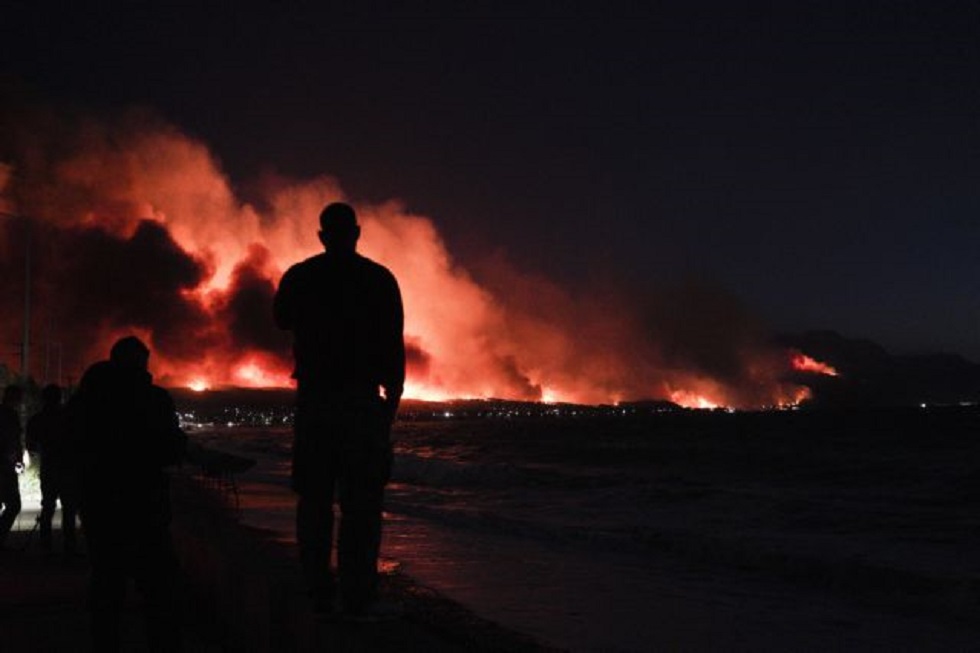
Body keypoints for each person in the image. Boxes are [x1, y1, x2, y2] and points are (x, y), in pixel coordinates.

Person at [274, 202, 405, 616]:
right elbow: (394, 345)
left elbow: (280, 319)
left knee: (314, 500)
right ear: (358, 233)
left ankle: (316, 588)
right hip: (363, 405)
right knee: (362, 506)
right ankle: (357, 594)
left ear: (322, 235)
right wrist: (390, 406)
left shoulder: (301, 276)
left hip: (317, 403)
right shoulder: (380, 279)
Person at [70, 336, 187, 652]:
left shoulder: (86, 401)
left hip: (100, 505)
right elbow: (170, 448)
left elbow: (73, 447)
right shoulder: (154, 399)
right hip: (144, 504)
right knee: (159, 588)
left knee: (107, 584)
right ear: (142, 362)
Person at [26, 384, 79, 556]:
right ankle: (70, 547)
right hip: (67, 468)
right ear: (59, 398)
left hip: (49, 467)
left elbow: (31, 446)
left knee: (48, 506)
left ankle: (45, 545)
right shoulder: (69, 418)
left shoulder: (37, 419)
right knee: (69, 508)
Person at [0, 385, 24, 548]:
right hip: (5, 465)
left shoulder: (8, 413)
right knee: (13, 504)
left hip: (6, 463)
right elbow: (14, 440)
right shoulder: (10, 415)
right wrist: (18, 458)